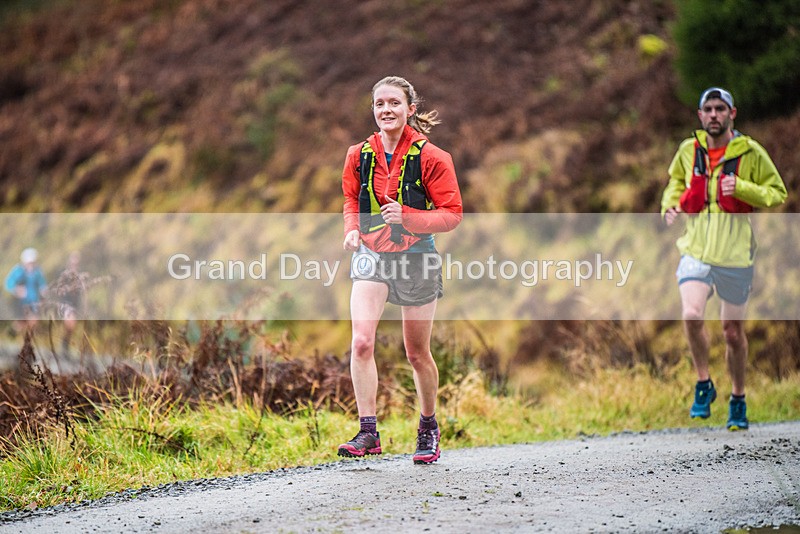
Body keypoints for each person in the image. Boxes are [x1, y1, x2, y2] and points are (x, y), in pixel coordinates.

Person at [339, 76, 462, 463]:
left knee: (417, 354)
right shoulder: (358, 155)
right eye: (379, 104)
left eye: (394, 103)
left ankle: (428, 426)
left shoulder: (433, 158)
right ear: (373, 110)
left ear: (410, 109)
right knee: (361, 342)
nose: (386, 110)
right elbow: (348, 198)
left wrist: (408, 216)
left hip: (416, 255)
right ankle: (368, 433)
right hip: (372, 254)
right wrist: (352, 230)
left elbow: (452, 215)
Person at [661, 87, 787, 431]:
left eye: (720, 108)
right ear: (700, 116)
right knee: (690, 314)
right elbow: (674, 183)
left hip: (734, 255)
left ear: (733, 113)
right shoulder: (689, 151)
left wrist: (743, 188)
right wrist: (669, 206)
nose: (714, 114)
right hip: (695, 249)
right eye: (708, 109)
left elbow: (777, 194)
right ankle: (704, 383)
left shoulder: (751, 152)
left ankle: (738, 397)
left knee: (732, 333)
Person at [4, 247, 48, 332]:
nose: (31, 265)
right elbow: (8, 283)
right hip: (21, 302)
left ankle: (26, 338)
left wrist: (43, 294)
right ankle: (12, 334)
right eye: (29, 263)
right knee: (21, 323)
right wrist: (16, 289)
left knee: (33, 321)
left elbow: (43, 284)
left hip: (34, 302)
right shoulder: (19, 271)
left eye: (33, 262)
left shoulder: (37, 272)